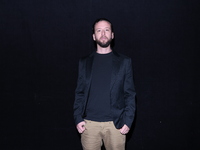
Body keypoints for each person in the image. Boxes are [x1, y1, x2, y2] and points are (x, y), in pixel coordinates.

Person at [73, 18, 136, 150]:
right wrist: (78, 117)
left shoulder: (124, 62)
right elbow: (80, 92)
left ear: (112, 35)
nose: (103, 34)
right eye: (99, 30)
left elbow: (129, 94)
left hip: (115, 125)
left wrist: (128, 120)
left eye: (107, 30)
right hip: (89, 125)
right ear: (94, 36)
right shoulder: (84, 62)